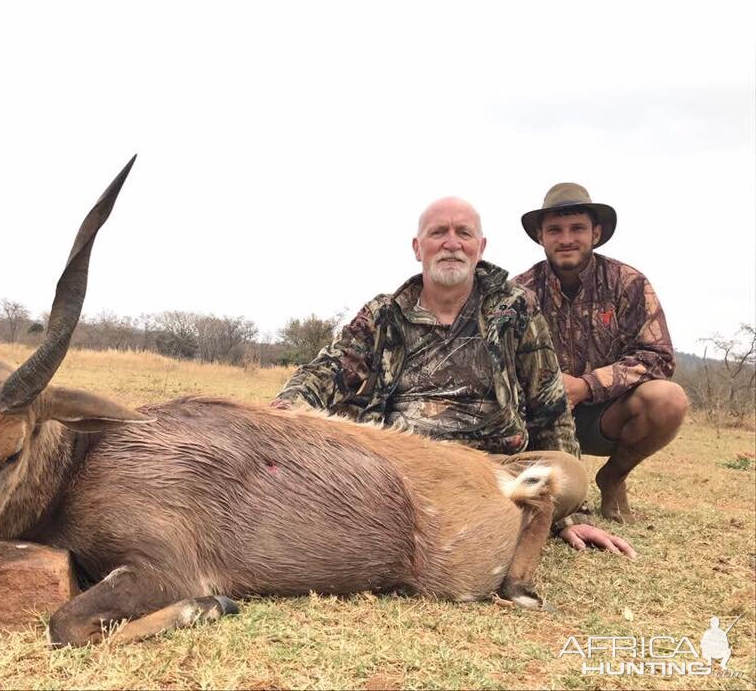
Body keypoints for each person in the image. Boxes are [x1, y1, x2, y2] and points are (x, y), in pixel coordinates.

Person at [274, 197, 633, 555]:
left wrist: (571, 517)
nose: (451, 243)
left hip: (490, 471)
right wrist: (285, 408)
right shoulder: (383, 313)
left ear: (480, 247)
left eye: (464, 233)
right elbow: (329, 370)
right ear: (418, 248)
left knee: (569, 475)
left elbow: (550, 406)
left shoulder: (515, 309)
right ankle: (472, 519)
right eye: (438, 233)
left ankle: (416, 516)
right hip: (399, 463)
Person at [515, 183, 689, 523]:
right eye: (555, 230)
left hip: (607, 416)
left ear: (596, 233)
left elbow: (658, 356)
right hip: (537, 420)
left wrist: (587, 385)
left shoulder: (628, 283)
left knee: (668, 399)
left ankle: (613, 476)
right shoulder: (518, 293)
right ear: (540, 236)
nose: (566, 238)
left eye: (577, 228)